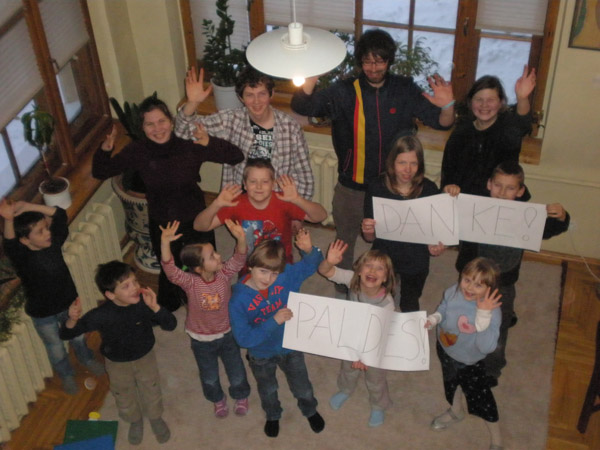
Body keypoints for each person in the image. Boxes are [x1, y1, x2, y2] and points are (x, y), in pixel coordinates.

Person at [291, 28, 455, 290]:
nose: (373, 67)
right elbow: (303, 106)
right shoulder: (344, 91)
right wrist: (310, 78)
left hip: (393, 189)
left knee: (391, 244)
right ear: (360, 62)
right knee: (345, 239)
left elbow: (442, 123)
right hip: (352, 185)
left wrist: (447, 105)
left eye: (379, 61)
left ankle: (385, 290)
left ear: (389, 61)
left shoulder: (404, 89)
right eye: (367, 61)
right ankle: (344, 286)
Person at [92, 95, 244, 311]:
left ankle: (208, 302)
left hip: (197, 219)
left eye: (161, 121)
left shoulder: (188, 145)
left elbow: (236, 156)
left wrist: (209, 141)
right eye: (150, 124)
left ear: (171, 122)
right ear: (142, 128)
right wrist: (105, 149)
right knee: (171, 269)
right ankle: (171, 307)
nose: (157, 128)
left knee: (204, 266)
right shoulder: (137, 151)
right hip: (163, 223)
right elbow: (100, 171)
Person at [454, 161, 570, 384]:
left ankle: (491, 369)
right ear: (489, 184)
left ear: (520, 191)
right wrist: (451, 194)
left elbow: (550, 229)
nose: (502, 192)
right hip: (472, 278)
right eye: (498, 185)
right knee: (464, 317)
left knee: (498, 326)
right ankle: (463, 357)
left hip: (503, 282)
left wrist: (563, 216)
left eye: (510, 188)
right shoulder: (474, 208)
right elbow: (448, 219)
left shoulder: (525, 216)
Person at [59, 261, 176, 445]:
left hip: (145, 356)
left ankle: (155, 417)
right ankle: (135, 421)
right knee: (123, 394)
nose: (135, 287)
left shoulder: (144, 304)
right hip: (116, 363)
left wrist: (155, 307)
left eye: (135, 281)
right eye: (126, 286)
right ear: (110, 294)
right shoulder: (100, 314)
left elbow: (171, 325)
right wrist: (72, 320)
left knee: (151, 388)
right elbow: (66, 334)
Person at [0, 200, 104, 395]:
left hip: (68, 305)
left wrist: (28, 206)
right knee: (55, 347)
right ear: (25, 240)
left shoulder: (53, 243)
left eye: (46, 228)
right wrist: (8, 220)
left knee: (78, 336)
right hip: (43, 313)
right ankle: (66, 374)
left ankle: (87, 359)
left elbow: (60, 215)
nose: (47, 233)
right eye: (40, 232)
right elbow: (10, 244)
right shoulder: (22, 258)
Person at [228, 230, 325, 438]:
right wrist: (274, 321)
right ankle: (273, 415)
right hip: (261, 354)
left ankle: (310, 409)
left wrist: (309, 250)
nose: (269, 279)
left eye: (274, 273)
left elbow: (311, 264)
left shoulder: (285, 277)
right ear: (250, 266)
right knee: (268, 389)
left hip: (290, 345)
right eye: (263, 271)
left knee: (303, 386)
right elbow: (243, 339)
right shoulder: (238, 300)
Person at [175, 66, 314, 199]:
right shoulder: (231, 120)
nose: (256, 101)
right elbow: (183, 132)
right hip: (240, 200)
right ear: (241, 98)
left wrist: (293, 209)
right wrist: (193, 103)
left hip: (277, 201)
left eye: (262, 94)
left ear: (271, 94)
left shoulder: (290, 128)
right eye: (249, 95)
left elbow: (305, 179)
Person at [159, 219, 251, 418]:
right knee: (209, 375)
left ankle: (241, 395)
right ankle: (217, 399)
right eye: (212, 256)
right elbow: (170, 271)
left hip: (227, 334)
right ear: (199, 268)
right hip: (201, 339)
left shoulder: (224, 274)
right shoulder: (190, 282)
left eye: (215, 252)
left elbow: (239, 259)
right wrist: (165, 243)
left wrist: (241, 239)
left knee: (236, 370)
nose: (219, 256)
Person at [425, 257, 503, 450]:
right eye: (467, 280)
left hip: (470, 362)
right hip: (446, 349)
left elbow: (486, 347)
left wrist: (483, 315)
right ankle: (456, 411)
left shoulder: (492, 312)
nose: (469, 288)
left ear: (489, 289)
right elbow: (444, 307)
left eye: (478, 285)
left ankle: (497, 440)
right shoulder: (454, 291)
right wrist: (436, 317)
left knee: (482, 400)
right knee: (451, 385)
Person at [361, 135, 445, 312]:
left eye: (414, 163)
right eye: (402, 163)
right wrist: (367, 230)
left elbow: (437, 232)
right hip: (384, 255)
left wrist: (436, 246)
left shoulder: (429, 189)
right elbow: (369, 238)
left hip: (416, 257)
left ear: (420, 165)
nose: (408, 169)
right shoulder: (377, 187)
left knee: (410, 303)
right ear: (392, 163)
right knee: (377, 301)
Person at [318, 239, 396, 427]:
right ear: (359, 271)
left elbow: (381, 334)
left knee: (376, 379)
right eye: (368, 265)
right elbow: (325, 271)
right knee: (348, 369)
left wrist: (365, 356)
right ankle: (346, 389)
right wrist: (329, 261)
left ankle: (378, 404)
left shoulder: (387, 303)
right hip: (352, 337)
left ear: (386, 278)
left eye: (379, 268)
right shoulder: (352, 279)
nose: (372, 271)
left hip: (376, 344)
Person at [193, 158, 327, 265]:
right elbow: (199, 226)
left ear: (273, 184)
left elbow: (320, 216)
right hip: (249, 266)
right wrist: (216, 204)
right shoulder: (236, 203)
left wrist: (297, 199)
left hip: (281, 266)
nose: (258, 186)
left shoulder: (283, 200)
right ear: (245, 184)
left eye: (265, 182)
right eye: (253, 181)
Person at [441, 66, 537, 197]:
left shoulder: (508, 129)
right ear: (470, 102)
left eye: (490, 100)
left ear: (501, 102)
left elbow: (522, 122)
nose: (484, 105)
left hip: (501, 200)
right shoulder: (461, 133)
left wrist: (522, 98)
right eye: (479, 99)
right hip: (463, 200)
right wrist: (448, 188)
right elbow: (448, 172)